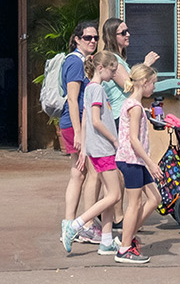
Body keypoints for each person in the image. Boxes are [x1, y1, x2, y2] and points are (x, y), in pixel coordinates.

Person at [65, 53, 126, 256]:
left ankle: (106, 240)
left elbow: (85, 121)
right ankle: (77, 225)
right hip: (104, 148)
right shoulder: (97, 89)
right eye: (112, 69)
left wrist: (84, 147)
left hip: (97, 148)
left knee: (110, 193)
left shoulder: (91, 88)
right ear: (100, 68)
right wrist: (115, 140)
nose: (114, 73)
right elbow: (96, 120)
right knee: (115, 195)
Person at [109, 64, 165, 265]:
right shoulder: (134, 107)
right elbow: (134, 139)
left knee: (154, 198)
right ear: (144, 82)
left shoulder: (135, 105)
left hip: (136, 159)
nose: (154, 88)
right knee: (135, 203)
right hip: (131, 159)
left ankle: (127, 236)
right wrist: (151, 163)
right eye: (153, 83)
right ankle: (124, 248)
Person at [56, 22, 100, 248]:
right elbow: (73, 99)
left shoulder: (83, 61)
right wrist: (79, 134)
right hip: (77, 124)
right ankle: (86, 224)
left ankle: (70, 223)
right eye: (87, 37)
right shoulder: (75, 62)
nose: (92, 41)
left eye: (95, 37)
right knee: (90, 171)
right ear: (76, 39)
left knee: (79, 172)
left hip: (78, 124)